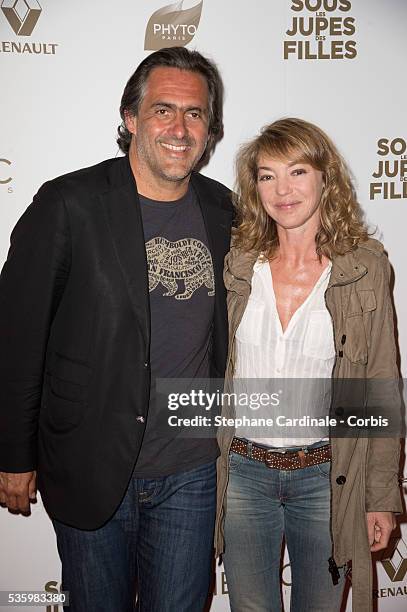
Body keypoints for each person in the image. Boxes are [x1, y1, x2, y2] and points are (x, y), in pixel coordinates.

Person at [0, 47, 233, 611]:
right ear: (131, 118)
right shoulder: (68, 204)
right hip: (89, 460)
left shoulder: (225, 209)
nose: (180, 129)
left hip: (193, 468)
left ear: (210, 129)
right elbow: (16, 337)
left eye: (195, 114)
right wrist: (13, 453)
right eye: (163, 110)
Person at [214, 118, 402, 611]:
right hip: (243, 474)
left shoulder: (365, 269)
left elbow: (379, 386)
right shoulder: (236, 263)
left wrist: (380, 495)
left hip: (326, 478)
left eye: (297, 171)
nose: (283, 189)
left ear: (325, 178)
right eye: (267, 175)